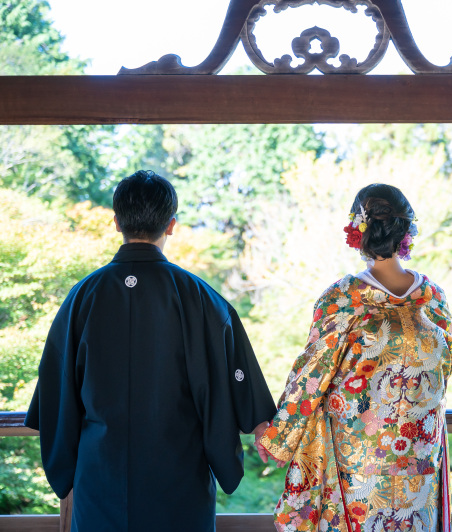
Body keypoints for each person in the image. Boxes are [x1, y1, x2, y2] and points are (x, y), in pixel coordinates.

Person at [25, 170, 277, 532]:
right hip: (179, 474)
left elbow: (55, 385)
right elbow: (237, 376)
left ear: (116, 223)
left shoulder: (82, 296)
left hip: (101, 477)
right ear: (172, 225)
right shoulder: (202, 297)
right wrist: (259, 423)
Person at [257, 183, 452, 532]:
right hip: (418, 455)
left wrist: (279, 436)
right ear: (407, 231)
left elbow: (312, 375)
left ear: (357, 231)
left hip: (358, 459)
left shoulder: (344, 297)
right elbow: (446, 365)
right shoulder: (432, 297)